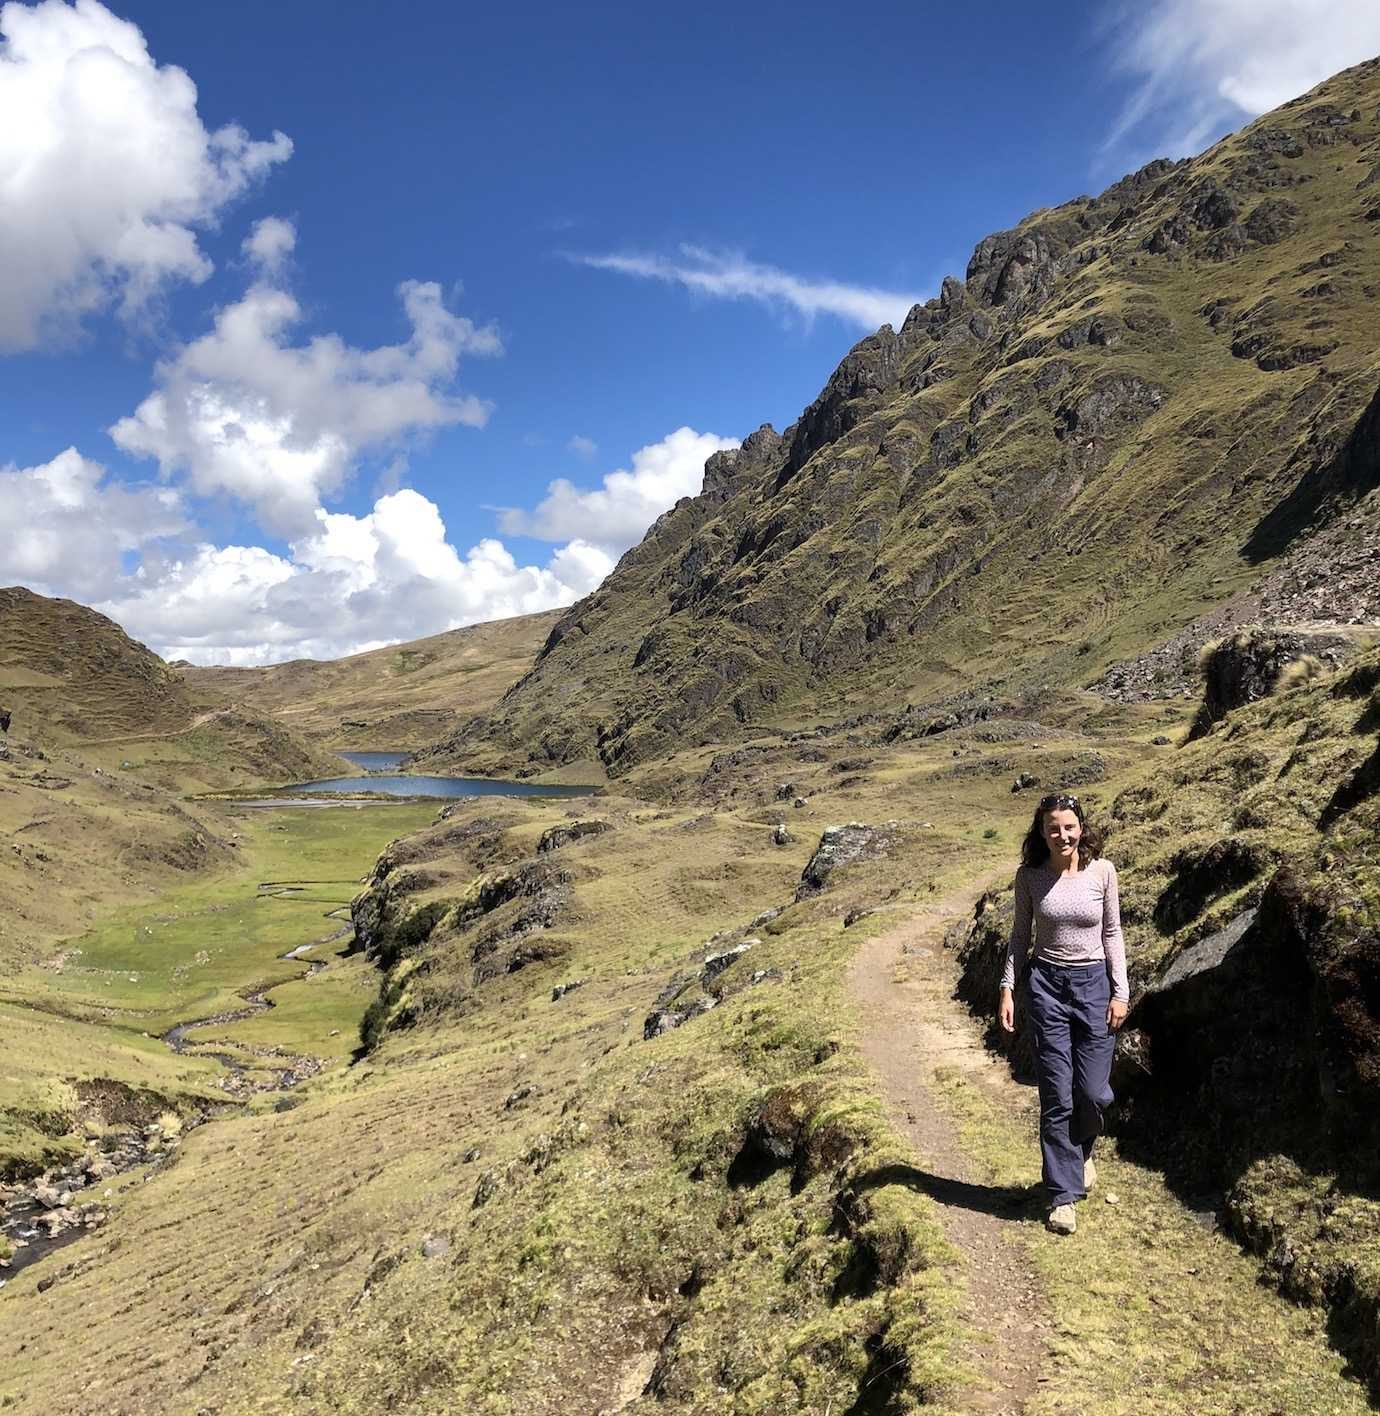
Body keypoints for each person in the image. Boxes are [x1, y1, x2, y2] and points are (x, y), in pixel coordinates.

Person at [997, 791, 1128, 1235]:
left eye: (1069, 826)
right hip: (1046, 986)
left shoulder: (1103, 872)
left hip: (1093, 986)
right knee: (1056, 1095)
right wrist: (1008, 988)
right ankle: (1062, 1197)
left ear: (1081, 828)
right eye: (1053, 827)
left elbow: (1112, 933)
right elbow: (1019, 937)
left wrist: (1120, 992)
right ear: (1042, 832)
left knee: (1092, 1092)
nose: (1062, 834)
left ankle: (1083, 1149)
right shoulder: (1030, 877)